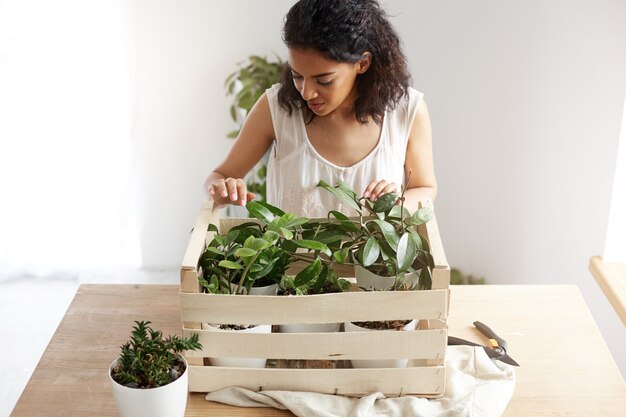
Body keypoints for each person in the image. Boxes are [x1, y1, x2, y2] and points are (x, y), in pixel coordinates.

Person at [205, 0, 436, 217]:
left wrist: (398, 202)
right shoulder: (276, 108)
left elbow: (425, 188)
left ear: (362, 64)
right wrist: (223, 189)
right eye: (297, 76)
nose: (306, 93)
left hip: (377, 262)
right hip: (293, 261)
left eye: (323, 80)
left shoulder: (407, 110)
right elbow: (219, 177)